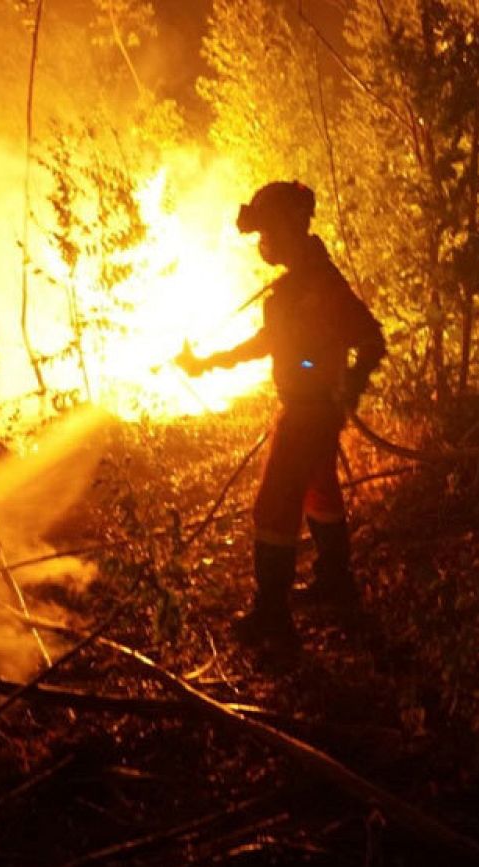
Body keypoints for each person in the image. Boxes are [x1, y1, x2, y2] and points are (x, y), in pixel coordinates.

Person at [178, 181, 386, 649]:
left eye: (266, 232)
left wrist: (350, 383)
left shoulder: (321, 284)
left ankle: (272, 616)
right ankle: (336, 581)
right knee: (319, 490)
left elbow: (371, 338)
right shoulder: (298, 283)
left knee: (274, 505)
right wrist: (208, 362)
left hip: (310, 412)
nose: (262, 244)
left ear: (290, 228)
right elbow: (270, 343)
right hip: (311, 408)